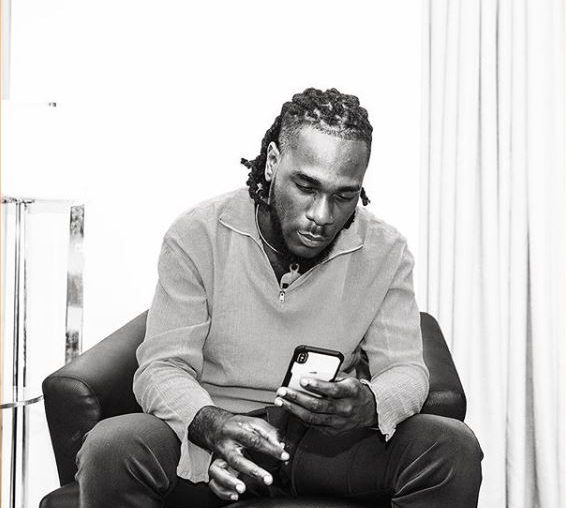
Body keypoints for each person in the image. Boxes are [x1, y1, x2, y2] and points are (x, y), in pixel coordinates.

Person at [75, 88, 483, 507]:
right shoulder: (197, 235)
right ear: (272, 162)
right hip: (213, 436)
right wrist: (211, 425)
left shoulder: (385, 250)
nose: (321, 216)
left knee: (451, 447)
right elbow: (162, 368)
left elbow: (406, 371)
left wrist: (371, 404)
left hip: (326, 444)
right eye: (306, 186)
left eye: (344, 196)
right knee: (112, 447)